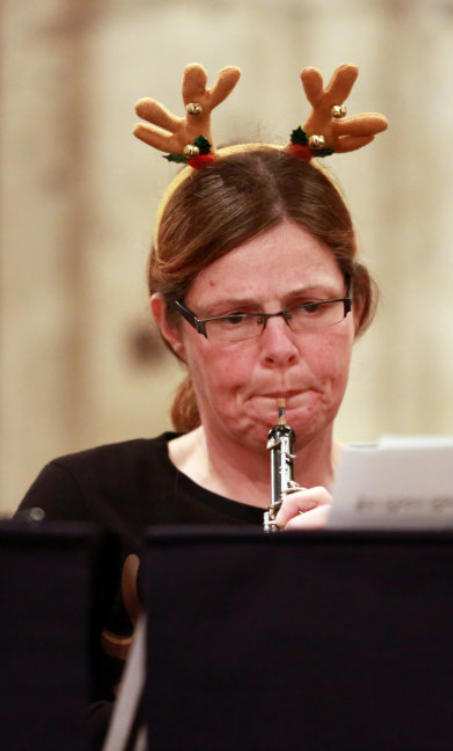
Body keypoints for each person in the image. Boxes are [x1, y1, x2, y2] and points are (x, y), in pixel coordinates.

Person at [14, 63, 387, 747]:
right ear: (172, 327)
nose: (280, 349)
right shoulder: (85, 501)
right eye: (236, 317)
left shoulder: (419, 522)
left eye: (310, 306)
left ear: (355, 305)